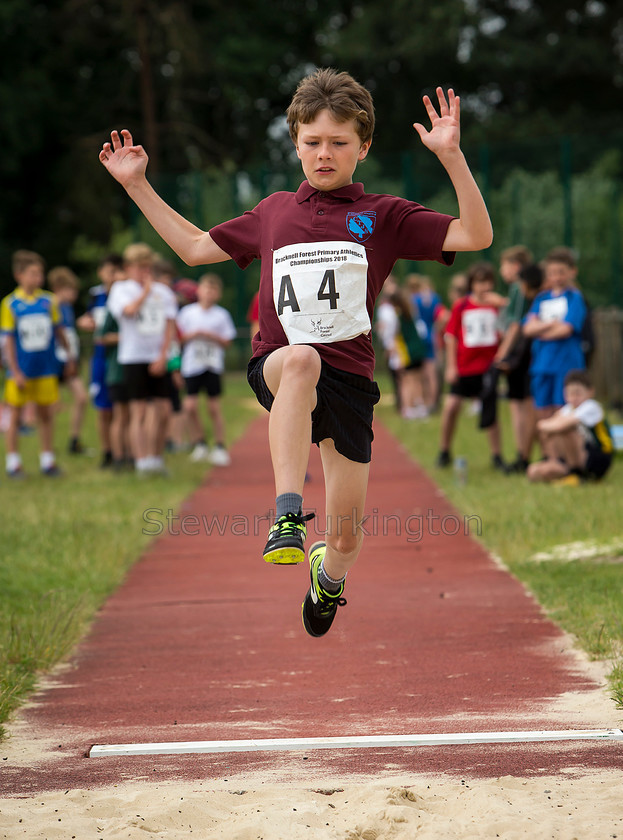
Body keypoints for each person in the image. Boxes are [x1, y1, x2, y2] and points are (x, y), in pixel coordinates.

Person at [99, 69, 493, 636]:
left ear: (364, 146)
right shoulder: (274, 211)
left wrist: (452, 157)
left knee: (347, 538)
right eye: (312, 142)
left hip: (351, 380)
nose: (324, 154)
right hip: (281, 363)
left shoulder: (385, 215)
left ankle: (326, 580)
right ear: (295, 143)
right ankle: (287, 514)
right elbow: (190, 248)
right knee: (303, 358)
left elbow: (476, 236)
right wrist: (136, 183)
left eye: (338, 142)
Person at [106, 243, 178, 475]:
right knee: (139, 411)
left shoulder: (164, 292)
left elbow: (169, 326)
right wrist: (145, 292)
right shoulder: (121, 289)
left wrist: (162, 355)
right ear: (128, 268)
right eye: (139, 268)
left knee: (164, 409)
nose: (144, 272)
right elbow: (127, 311)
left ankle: (156, 458)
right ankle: (141, 461)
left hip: (156, 356)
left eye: (147, 267)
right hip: (133, 356)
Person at [1, 250, 71, 477]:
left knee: (46, 414)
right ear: (19, 275)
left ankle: (48, 460)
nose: (37, 278)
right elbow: (9, 340)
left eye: (40, 273)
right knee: (16, 414)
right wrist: (15, 370)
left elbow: (59, 331)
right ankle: (13, 463)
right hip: (22, 369)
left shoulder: (49, 301)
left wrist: (69, 356)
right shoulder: (10, 304)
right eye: (32, 273)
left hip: (45, 368)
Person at [437, 261, 507, 472]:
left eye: (487, 282)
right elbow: (451, 336)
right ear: (471, 284)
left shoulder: (497, 305)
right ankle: (444, 451)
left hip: (487, 367)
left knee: (490, 412)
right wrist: (451, 366)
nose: (484, 287)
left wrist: (501, 304)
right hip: (464, 366)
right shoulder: (462, 306)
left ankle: (497, 456)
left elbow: (510, 324)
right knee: (451, 408)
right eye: (479, 282)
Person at [523, 246, 586, 454]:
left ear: (571, 272)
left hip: (566, 364)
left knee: (563, 411)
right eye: (552, 272)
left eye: (561, 272)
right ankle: (549, 456)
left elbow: (567, 329)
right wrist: (551, 325)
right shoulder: (541, 299)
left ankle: (567, 458)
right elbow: (528, 328)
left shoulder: (574, 297)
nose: (557, 277)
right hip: (542, 364)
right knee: (543, 412)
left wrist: (541, 328)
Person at [176, 272, 236, 465]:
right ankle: (199, 443)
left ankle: (219, 446)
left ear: (217, 294)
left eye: (213, 290)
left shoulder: (221, 315)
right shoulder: (187, 313)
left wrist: (212, 336)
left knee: (213, 407)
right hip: (192, 364)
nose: (209, 293)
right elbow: (177, 338)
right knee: (190, 406)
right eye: (206, 289)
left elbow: (228, 341)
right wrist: (192, 335)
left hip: (212, 365)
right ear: (199, 291)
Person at [77, 253, 125, 468]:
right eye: (109, 271)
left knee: (122, 408)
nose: (113, 276)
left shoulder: (127, 294)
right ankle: (107, 451)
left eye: (117, 271)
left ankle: (123, 451)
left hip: (121, 356)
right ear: (101, 272)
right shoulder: (95, 295)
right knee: (103, 408)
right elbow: (87, 319)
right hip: (100, 358)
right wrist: (84, 323)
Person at [527, 369, 614, 485]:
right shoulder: (568, 409)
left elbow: (559, 425)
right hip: (575, 456)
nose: (574, 397)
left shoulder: (591, 407)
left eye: (578, 393)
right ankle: (560, 465)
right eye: (570, 393)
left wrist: (550, 426)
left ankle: (576, 473)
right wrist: (548, 426)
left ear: (590, 392)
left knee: (566, 429)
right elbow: (542, 425)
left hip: (598, 458)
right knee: (533, 471)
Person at [495, 261, 543, 472]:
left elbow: (516, 326)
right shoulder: (540, 297)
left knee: (526, 407)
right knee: (528, 406)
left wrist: (501, 355)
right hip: (529, 355)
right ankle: (527, 455)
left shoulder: (526, 293)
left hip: (526, 355)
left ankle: (525, 456)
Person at [47, 266, 89, 455]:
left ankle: (74, 440)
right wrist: (65, 360)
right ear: (58, 287)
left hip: (69, 359)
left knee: (81, 398)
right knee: (48, 406)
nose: (74, 294)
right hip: (56, 361)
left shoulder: (67, 308)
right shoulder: (50, 305)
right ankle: (48, 448)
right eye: (70, 290)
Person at [387, 286, 427, 418]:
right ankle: (420, 407)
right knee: (417, 379)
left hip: (407, 352)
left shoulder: (396, 317)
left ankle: (408, 408)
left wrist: (392, 352)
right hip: (418, 349)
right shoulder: (410, 312)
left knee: (406, 381)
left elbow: (394, 336)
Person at [407, 273, 444, 413]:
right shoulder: (435, 298)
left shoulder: (414, 299)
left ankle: (423, 401)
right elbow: (442, 316)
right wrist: (436, 329)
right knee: (432, 373)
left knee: (420, 375)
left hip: (420, 337)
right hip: (431, 335)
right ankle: (432, 403)